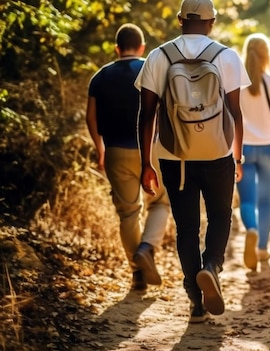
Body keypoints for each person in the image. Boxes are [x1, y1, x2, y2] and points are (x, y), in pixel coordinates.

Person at [136, 0, 249, 323]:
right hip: (217, 153)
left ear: (179, 20)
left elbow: (146, 115)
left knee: (187, 227)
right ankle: (212, 265)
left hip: (174, 156)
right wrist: (237, 156)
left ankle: (195, 301)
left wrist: (147, 163)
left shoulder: (159, 56)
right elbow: (236, 112)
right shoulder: (226, 57)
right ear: (212, 23)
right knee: (220, 217)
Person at [85, 23, 170, 293]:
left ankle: (137, 274)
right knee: (161, 202)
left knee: (128, 212)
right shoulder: (152, 69)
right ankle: (147, 247)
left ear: (116, 48)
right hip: (152, 150)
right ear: (142, 47)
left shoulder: (100, 77)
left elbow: (91, 117)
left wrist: (100, 148)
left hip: (116, 152)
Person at [237, 33, 270, 270]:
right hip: (269, 147)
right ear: (268, 55)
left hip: (243, 148)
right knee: (265, 200)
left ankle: (252, 229)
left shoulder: (236, 82)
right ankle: (263, 248)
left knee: (247, 199)